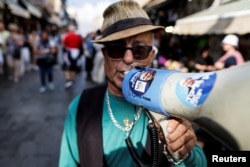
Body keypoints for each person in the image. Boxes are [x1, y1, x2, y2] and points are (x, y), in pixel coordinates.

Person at [59, 1, 207, 167]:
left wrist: (185, 151)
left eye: (139, 51)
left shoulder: (169, 101)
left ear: (151, 56)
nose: (128, 59)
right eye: (116, 49)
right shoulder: (80, 107)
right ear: (105, 55)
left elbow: (200, 163)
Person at [62, 25, 83, 89]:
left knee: (66, 67)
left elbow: (64, 44)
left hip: (69, 52)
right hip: (76, 53)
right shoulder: (78, 37)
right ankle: (73, 80)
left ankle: (68, 80)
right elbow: (81, 45)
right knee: (73, 67)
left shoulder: (67, 36)